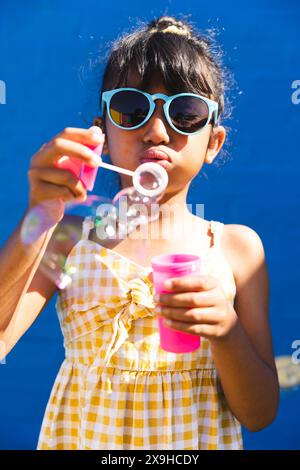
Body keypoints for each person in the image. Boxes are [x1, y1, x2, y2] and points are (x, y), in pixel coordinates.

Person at [0, 15, 279, 450]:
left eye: (186, 113)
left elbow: (260, 414)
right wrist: (40, 214)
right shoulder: (67, 238)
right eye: (131, 109)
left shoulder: (237, 249)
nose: (156, 131)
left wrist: (226, 330)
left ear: (214, 143)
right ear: (103, 135)